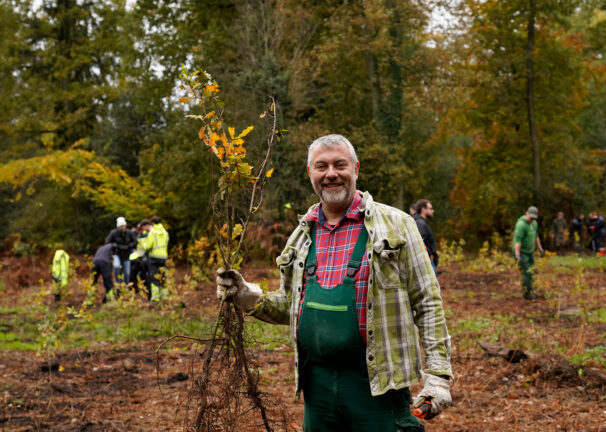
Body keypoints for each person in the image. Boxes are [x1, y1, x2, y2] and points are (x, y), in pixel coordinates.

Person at [216, 134, 453, 431]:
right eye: (321, 166)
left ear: (356, 169)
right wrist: (245, 295)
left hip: (378, 387)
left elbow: (427, 303)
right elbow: (291, 305)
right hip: (318, 389)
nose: (331, 174)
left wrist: (438, 377)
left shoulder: (397, 225)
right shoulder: (302, 235)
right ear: (310, 173)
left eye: (340, 165)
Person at [512, 206, 544, 300]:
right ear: (526, 213)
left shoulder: (534, 223)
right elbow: (518, 241)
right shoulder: (521, 225)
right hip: (521, 252)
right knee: (526, 273)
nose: (532, 219)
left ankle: (530, 290)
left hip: (530, 252)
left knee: (531, 271)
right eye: (531, 217)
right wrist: (517, 255)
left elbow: (536, 236)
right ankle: (527, 294)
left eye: (534, 218)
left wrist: (540, 248)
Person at [137, 216, 169, 302]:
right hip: (164, 257)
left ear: (153, 223)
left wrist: (142, 244)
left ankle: (155, 298)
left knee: (153, 277)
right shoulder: (165, 232)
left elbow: (148, 246)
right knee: (163, 276)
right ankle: (165, 296)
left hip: (154, 258)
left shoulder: (152, 232)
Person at [105, 217, 137, 285]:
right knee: (116, 266)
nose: (123, 227)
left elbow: (135, 241)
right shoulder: (113, 233)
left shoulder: (129, 233)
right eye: (121, 226)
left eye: (124, 226)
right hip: (117, 254)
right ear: (118, 227)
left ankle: (126, 285)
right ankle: (118, 283)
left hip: (127, 255)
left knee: (127, 273)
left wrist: (129, 246)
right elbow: (107, 242)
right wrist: (116, 246)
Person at [414, 199, 439, 273]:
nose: (433, 211)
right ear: (423, 209)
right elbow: (419, 243)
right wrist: (429, 255)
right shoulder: (421, 223)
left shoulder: (420, 222)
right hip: (426, 262)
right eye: (430, 208)